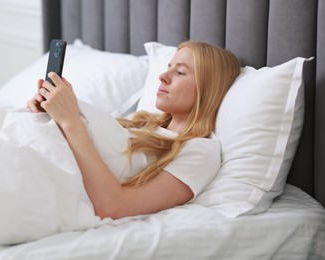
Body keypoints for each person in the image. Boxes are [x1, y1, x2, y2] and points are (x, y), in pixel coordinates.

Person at [27, 41, 240, 220]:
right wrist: (47, 116)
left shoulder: (201, 150)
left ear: (207, 90)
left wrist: (70, 121)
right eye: (168, 66)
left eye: (181, 72)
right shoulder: (139, 123)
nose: (163, 76)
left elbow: (113, 207)